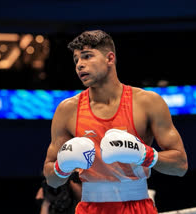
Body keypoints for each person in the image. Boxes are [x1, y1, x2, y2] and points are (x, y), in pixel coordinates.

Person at [43, 30, 188, 214]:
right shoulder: (67, 110)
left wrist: (145, 155)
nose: (80, 65)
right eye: (76, 60)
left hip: (137, 206)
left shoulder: (147, 102)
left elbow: (180, 166)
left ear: (110, 59)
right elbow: (51, 178)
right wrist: (61, 166)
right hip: (90, 208)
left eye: (87, 56)